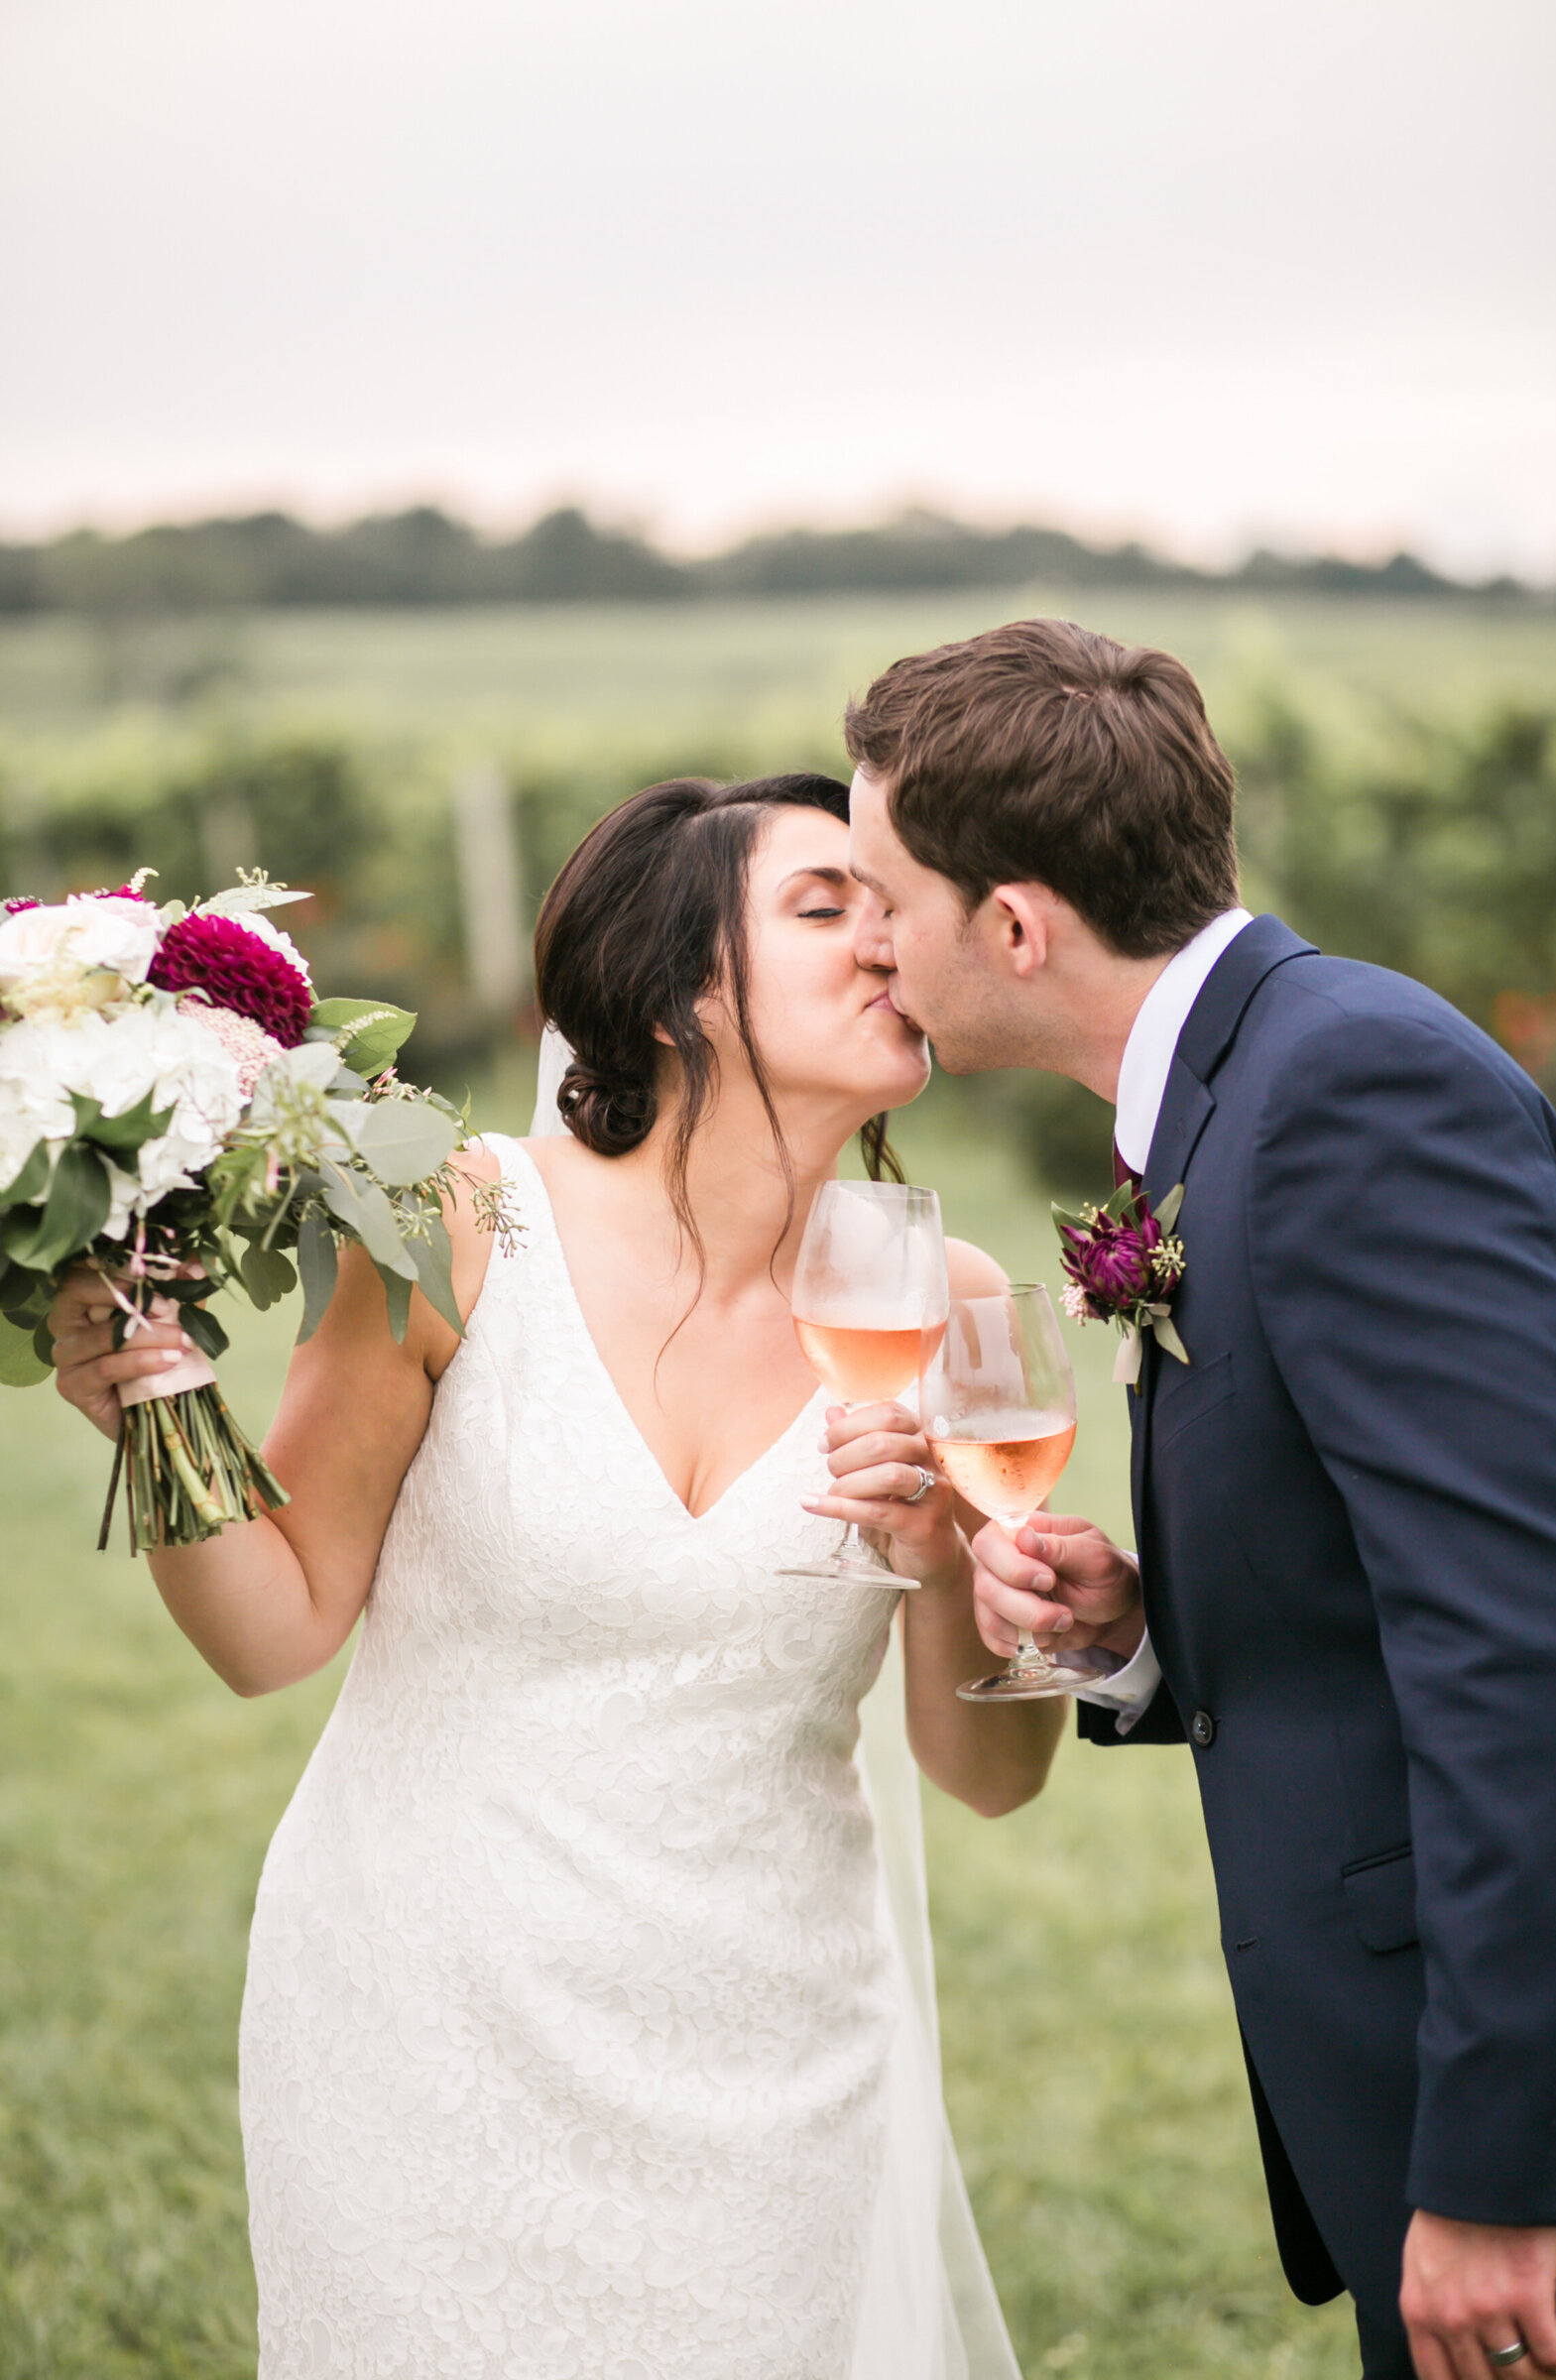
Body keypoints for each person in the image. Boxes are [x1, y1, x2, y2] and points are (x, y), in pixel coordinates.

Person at [47, 773, 1046, 2380]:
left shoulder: (960, 1299)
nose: (890, 942)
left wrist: (944, 1565)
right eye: (824, 907)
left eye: (891, 906)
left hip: (775, 2055)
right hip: (424, 2023)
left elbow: (989, 1775)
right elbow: (272, 1627)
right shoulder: (455, 1222)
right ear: (675, 991)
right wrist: (163, 1411)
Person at [841, 620, 1556, 2380]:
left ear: (1013, 926)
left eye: (881, 893)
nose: (870, 941)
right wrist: (1145, 1630)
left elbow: (1526, 1643)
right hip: (1391, 2058)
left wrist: (1496, 2168)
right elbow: (1377, 1569)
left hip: (1499, 2116)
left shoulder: (1344, 1092)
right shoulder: (1236, 1091)